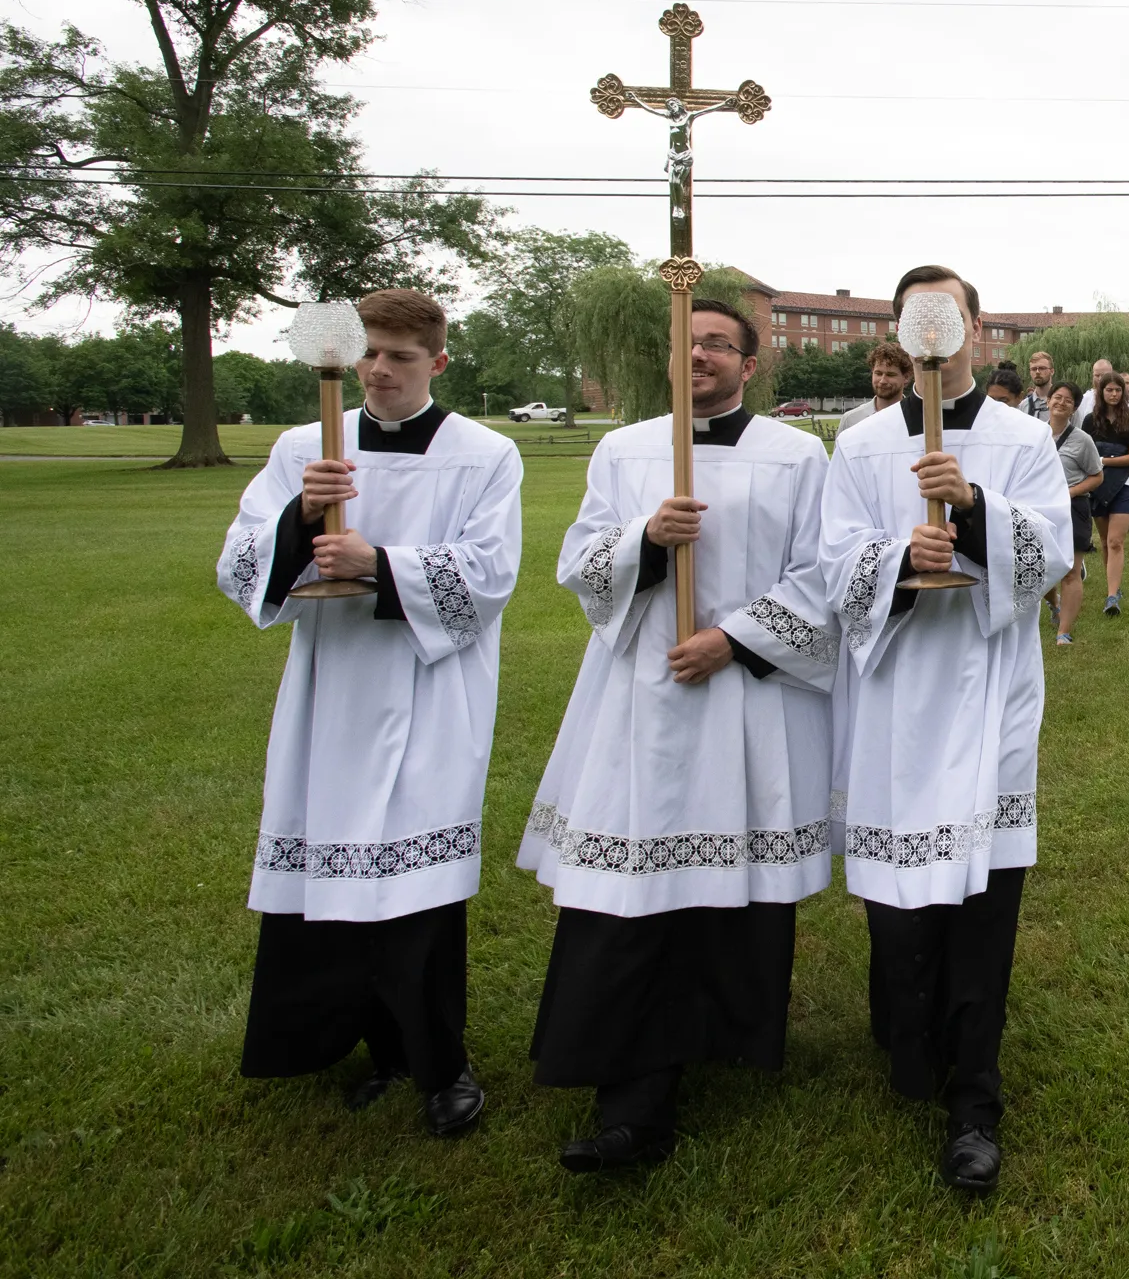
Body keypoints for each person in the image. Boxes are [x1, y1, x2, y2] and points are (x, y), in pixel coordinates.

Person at [520, 298, 835, 1171]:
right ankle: (632, 1095)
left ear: (752, 363)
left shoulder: (799, 456)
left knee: (730, 886)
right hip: (640, 702)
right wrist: (647, 541)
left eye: (717, 345)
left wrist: (733, 639)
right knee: (629, 890)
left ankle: (723, 1040)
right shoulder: (624, 450)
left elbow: (825, 574)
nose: (698, 357)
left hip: (742, 700)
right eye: (685, 344)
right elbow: (579, 567)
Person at [215, 288, 522, 1140]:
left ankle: (436, 1064)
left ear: (438, 363)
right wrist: (299, 518)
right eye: (370, 355)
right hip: (332, 690)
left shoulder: (485, 454)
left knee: (416, 887)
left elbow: (490, 575)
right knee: (328, 864)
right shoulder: (302, 447)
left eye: (400, 357)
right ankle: (347, 1043)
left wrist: (379, 561)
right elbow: (239, 562)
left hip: (430, 686)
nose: (380, 371)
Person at [821, 265, 1071, 1194]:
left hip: (989, 690)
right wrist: (896, 556)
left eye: (948, 315)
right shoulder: (860, 446)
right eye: (913, 317)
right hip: (894, 700)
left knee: (983, 902)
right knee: (900, 904)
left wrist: (970, 513)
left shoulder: (1021, 438)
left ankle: (976, 1098)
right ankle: (909, 1041)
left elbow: (1051, 554)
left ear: (974, 327)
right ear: (896, 330)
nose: (931, 332)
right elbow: (830, 562)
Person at [1043, 383, 1104, 645]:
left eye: (1068, 400)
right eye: (1057, 397)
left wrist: (1070, 492)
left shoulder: (1082, 440)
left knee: (1071, 570)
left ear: (1075, 408)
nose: (1061, 403)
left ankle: (1064, 631)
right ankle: (1054, 602)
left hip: (1073, 508)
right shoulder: (1035, 434)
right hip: (1041, 508)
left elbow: (1097, 476)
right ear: (1048, 401)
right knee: (1042, 568)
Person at [1082, 373, 1129, 616]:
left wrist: (1103, 459)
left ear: (1123, 392)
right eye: (1109, 390)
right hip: (1097, 487)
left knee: (1116, 541)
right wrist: (1101, 462)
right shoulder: (1090, 421)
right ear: (1101, 392)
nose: (1114, 394)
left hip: (1124, 486)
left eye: (1118, 390)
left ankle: (1111, 597)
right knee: (1106, 542)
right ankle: (1114, 587)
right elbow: (1084, 456)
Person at [840, 341, 914, 433]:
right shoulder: (851, 420)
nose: (882, 381)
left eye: (890, 375)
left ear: (906, 377)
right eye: (878, 373)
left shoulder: (918, 419)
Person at [1020, 351, 1056, 417]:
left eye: (1042, 368)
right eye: (1033, 369)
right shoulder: (1023, 406)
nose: (1037, 372)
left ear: (1052, 371)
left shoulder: (1061, 404)